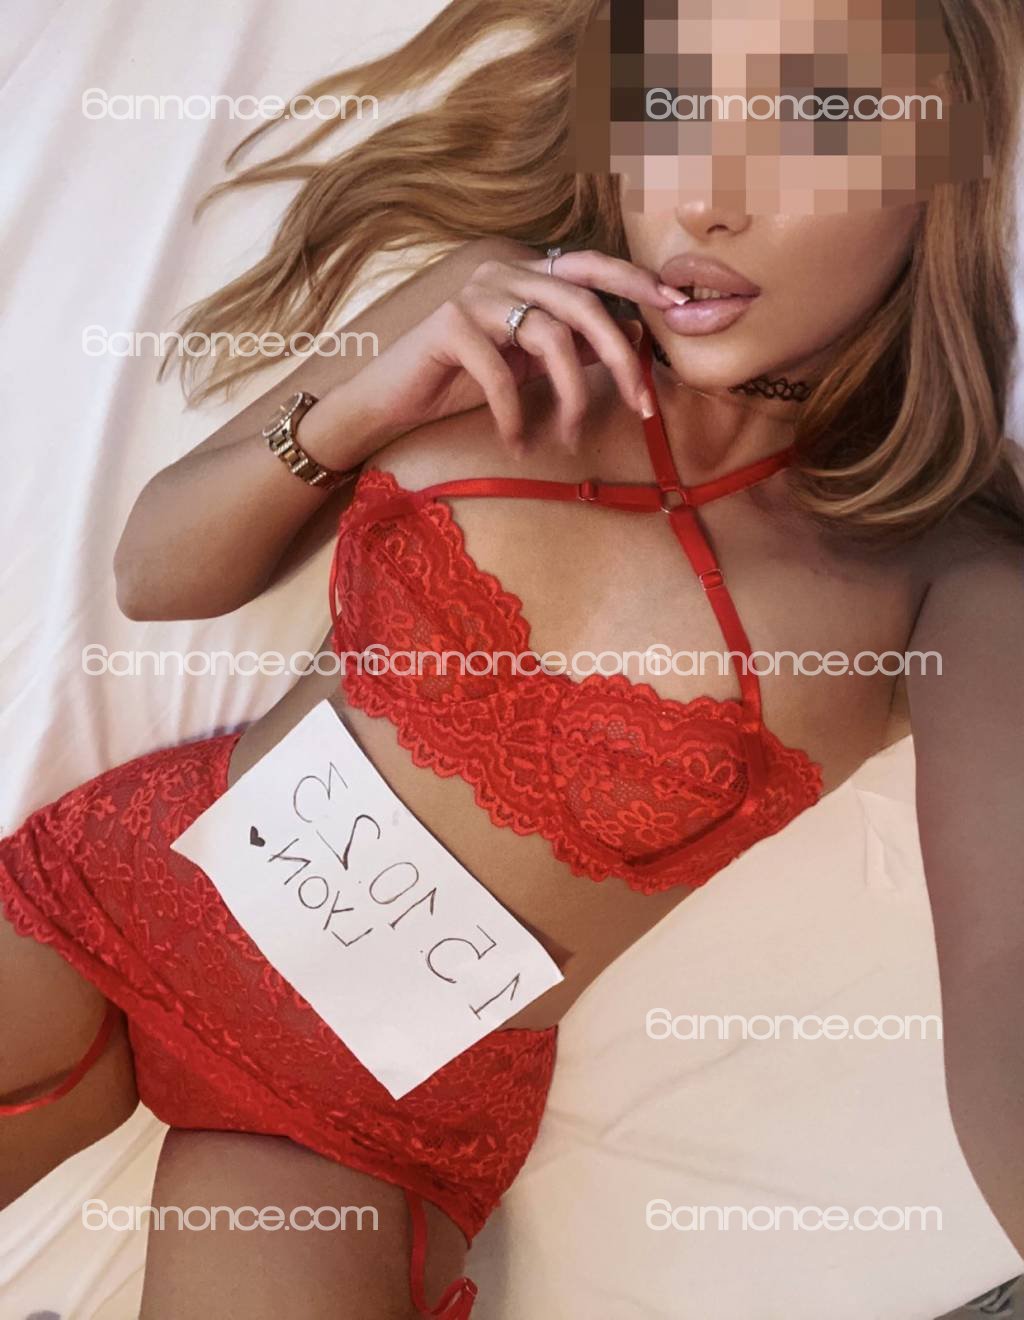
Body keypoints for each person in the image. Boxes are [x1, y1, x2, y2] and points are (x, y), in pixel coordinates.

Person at [3, 1, 1024, 1316]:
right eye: (669, 107)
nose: (706, 201)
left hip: (357, 1124)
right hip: (115, 902)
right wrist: (367, 400)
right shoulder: (492, 302)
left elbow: (1006, 982)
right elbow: (159, 574)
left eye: (820, 116)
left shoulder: (953, 579)